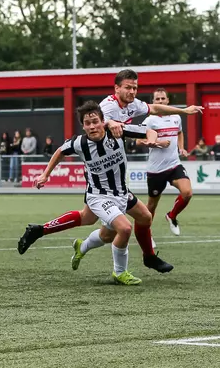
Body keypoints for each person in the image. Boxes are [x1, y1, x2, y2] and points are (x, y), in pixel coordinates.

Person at [17, 69, 203, 273]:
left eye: (135, 87)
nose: (132, 91)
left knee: (104, 222)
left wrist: (183, 112)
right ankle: (126, 269)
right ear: (116, 88)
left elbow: (153, 110)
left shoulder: (133, 104)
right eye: (128, 87)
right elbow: (93, 122)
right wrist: (110, 122)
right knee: (121, 228)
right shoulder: (106, 107)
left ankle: (46, 232)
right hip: (100, 178)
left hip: (117, 181)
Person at [33, 101, 152, 285]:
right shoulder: (79, 142)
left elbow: (148, 131)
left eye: (95, 121)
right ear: (83, 126)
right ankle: (120, 272)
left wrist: (151, 139)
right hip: (99, 196)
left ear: (103, 121)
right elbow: (59, 152)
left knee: (116, 231)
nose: (92, 126)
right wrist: (45, 174)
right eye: (87, 123)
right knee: (125, 228)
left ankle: (83, 246)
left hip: (121, 193)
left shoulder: (117, 131)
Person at [139, 89, 192, 237]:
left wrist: (181, 148)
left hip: (174, 164)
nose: (161, 101)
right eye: (157, 99)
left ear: (168, 101)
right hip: (156, 170)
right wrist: (157, 143)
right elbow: (138, 141)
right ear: (153, 102)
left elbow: (180, 132)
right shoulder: (149, 120)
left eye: (163, 99)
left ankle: (172, 216)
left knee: (187, 193)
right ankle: (146, 235)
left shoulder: (176, 117)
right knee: (151, 206)